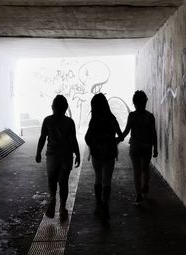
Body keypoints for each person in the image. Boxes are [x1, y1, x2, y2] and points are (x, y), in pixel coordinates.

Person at [36, 95, 81, 221]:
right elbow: (73, 140)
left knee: (52, 180)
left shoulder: (47, 120)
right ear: (66, 108)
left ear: (52, 107)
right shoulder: (69, 122)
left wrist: (38, 152)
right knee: (63, 182)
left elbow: (42, 138)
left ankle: (52, 199)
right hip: (66, 156)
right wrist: (77, 154)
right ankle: (62, 208)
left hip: (52, 156)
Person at [85, 93, 122, 223]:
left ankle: (98, 204)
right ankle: (105, 204)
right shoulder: (112, 118)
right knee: (107, 180)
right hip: (110, 154)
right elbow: (121, 136)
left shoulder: (94, 120)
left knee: (98, 178)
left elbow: (87, 138)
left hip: (96, 153)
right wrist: (113, 142)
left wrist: (94, 146)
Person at [122, 90, 158, 205]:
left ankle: (138, 195)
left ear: (134, 103)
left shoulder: (132, 116)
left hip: (135, 146)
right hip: (147, 146)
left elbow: (126, 131)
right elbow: (154, 134)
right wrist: (155, 148)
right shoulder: (150, 116)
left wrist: (117, 139)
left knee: (136, 171)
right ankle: (146, 184)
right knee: (145, 168)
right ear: (145, 101)